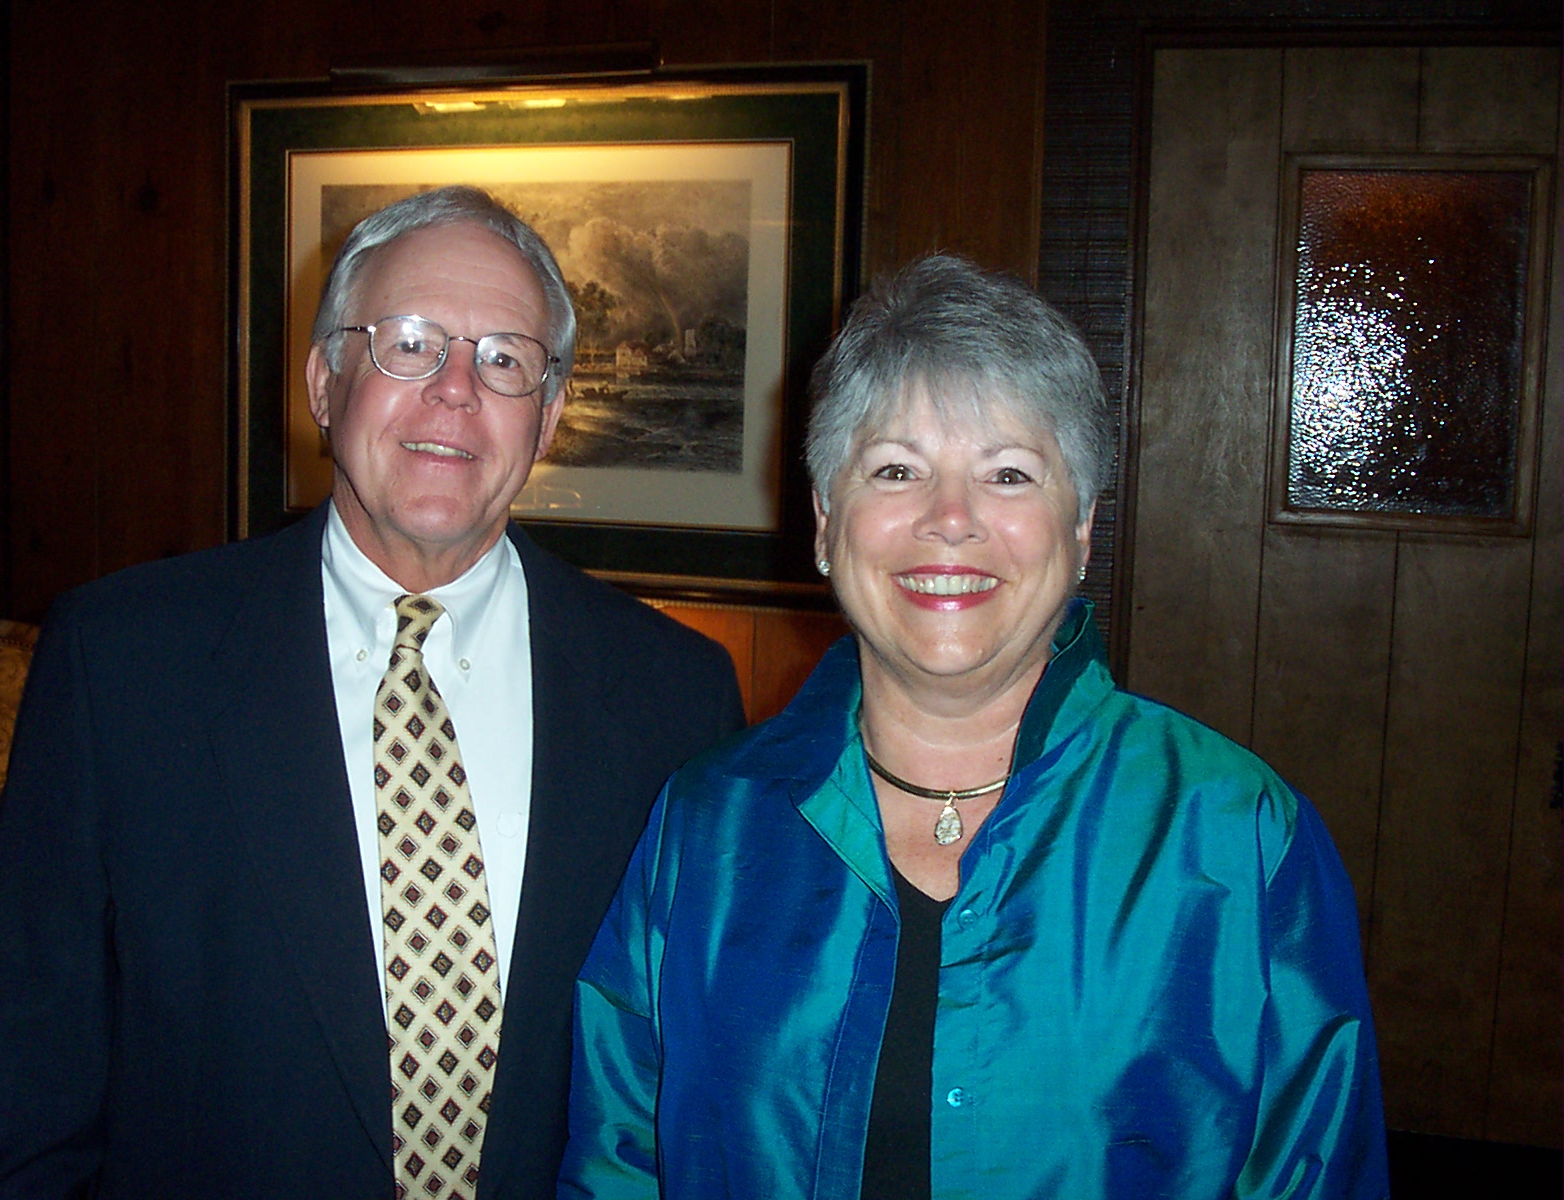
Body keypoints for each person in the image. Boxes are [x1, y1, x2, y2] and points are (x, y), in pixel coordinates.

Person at [0, 186, 744, 1199]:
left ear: (547, 418)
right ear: (325, 382)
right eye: (410, 343)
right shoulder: (122, 665)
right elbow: (18, 1096)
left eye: (504, 359)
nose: (455, 389)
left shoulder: (677, 698)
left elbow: (700, 1094)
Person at [560, 254, 1389, 1199]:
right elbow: (619, 1161)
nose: (950, 519)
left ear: (1081, 528)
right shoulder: (708, 823)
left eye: (1007, 474)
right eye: (896, 469)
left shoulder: (1237, 835)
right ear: (826, 522)